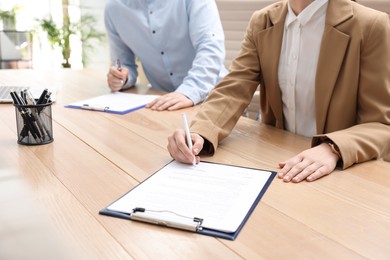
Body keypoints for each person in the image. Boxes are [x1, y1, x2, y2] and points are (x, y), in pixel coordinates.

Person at [167, 0, 390, 183]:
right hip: (278, 164)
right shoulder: (262, 21)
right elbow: (234, 87)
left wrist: (333, 149)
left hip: (343, 175)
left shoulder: (371, 25)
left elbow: (381, 124)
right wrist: (199, 133)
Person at [104, 0, 227, 111]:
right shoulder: (113, 8)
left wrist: (188, 92)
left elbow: (211, 47)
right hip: (165, 103)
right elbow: (124, 63)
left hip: (216, 96)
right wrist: (121, 78)